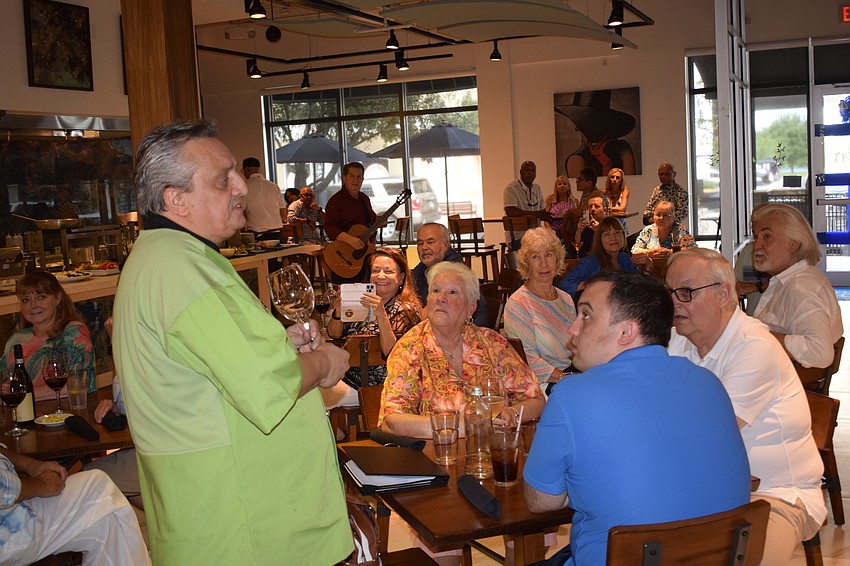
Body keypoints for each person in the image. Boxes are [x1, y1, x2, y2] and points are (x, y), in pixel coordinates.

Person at [113, 120, 352, 564]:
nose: (242, 186)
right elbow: (267, 387)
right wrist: (324, 362)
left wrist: (279, 347)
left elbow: (213, 368)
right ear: (176, 199)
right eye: (224, 178)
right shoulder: (181, 269)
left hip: (218, 511)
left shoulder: (166, 257)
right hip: (241, 523)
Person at [523, 271, 750, 566]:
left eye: (586, 315)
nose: (573, 328)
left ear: (627, 332)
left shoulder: (572, 395)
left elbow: (541, 501)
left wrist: (582, 486)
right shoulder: (709, 383)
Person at [666, 248, 826, 563]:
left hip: (773, 495)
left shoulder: (754, 347)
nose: (673, 303)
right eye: (669, 291)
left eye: (685, 292)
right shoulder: (677, 340)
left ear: (724, 294)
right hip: (702, 491)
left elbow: (707, 435)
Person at [379, 262, 543, 438]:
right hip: (437, 451)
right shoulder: (410, 347)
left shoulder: (492, 343)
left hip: (493, 448)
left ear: (471, 308)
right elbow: (391, 421)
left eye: (452, 292)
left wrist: (513, 413)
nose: (441, 298)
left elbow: (536, 399)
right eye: (435, 290)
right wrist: (459, 426)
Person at [0, 445, 150, 565]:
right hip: (7, 527)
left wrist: (29, 464)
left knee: (103, 518)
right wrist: (41, 484)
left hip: (12, 501)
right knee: (98, 488)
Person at [750, 203, 843, 368]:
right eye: (756, 237)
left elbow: (820, 352)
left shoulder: (799, 287)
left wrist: (757, 335)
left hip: (781, 382)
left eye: (767, 237)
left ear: (794, 244)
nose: (756, 245)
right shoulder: (793, 279)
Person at [327, 247, 422, 388]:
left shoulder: (406, 310)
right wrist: (338, 311)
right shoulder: (362, 300)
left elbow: (393, 354)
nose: (381, 276)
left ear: (401, 278)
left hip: (385, 385)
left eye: (388, 271)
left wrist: (381, 315)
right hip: (346, 378)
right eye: (376, 271)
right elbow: (334, 334)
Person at [2, 271, 95, 401]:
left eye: (41, 297)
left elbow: (80, 383)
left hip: (66, 410)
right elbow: (4, 382)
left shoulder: (74, 332)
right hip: (23, 411)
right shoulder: (16, 339)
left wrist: (22, 392)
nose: (33, 305)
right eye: (26, 300)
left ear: (58, 298)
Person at [504, 228, 576, 392]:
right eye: (536, 257)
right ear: (526, 263)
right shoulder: (518, 304)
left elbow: (578, 344)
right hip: (543, 384)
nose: (544, 264)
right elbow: (526, 358)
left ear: (557, 259)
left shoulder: (566, 299)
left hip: (572, 375)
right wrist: (563, 377)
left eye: (549, 255)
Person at [83, 316, 142, 509]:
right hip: (150, 444)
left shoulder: (150, 335)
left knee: (87, 479)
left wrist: (117, 341)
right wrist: (116, 405)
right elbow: (124, 395)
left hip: (169, 449)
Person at [411, 222, 488, 327]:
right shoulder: (421, 270)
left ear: (446, 244)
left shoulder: (455, 274)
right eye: (420, 243)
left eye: (430, 242)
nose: (424, 247)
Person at [558, 216, 651, 300]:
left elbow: (642, 288)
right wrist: (589, 285)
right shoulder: (590, 262)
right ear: (599, 239)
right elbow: (564, 285)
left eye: (617, 233)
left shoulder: (625, 259)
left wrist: (647, 268)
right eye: (607, 234)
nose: (613, 238)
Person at [556, 89, 637, 177]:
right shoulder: (576, 160)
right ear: (578, 127)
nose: (592, 128)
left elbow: (631, 181)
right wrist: (606, 164)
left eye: (597, 121)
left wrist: (607, 162)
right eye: (587, 123)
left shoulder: (623, 148)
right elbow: (584, 185)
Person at [324, 161, 378, 283]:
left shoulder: (364, 199)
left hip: (363, 256)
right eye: (352, 176)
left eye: (359, 176)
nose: (356, 180)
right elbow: (330, 227)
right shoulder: (336, 201)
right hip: (343, 257)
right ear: (344, 178)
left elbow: (372, 222)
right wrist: (350, 240)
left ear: (362, 179)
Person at [503, 160, 550, 251]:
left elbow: (542, 211)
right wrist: (535, 214)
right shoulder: (512, 188)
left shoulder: (537, 188)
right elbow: (510, 211)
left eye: (533, 170)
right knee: (542, 246)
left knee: (555, 243)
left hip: (536, 234)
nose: (530, 173)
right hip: (518, 237)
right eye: (527, 170)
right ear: (521, 172)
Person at [630, 201, 696, 258]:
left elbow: (693, 249)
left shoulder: (680, 230)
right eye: (658, 215)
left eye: (665, 215)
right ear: (653, 217)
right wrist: (650, 252)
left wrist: (670, 252)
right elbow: (635, 250)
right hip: (651, 266)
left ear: (673, 217)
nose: (661, 218)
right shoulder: (648, 230)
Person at [241, 156, 286, 237]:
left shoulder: (244, 187)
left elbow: (241, 212)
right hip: (276, 231)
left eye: (242, 171)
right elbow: (283, 211)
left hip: (256, 232)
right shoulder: (273, 186)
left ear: (246, 169)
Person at [570, 190, 608, 258]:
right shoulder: (583, 225)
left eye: (596, 206)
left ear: (605, 210)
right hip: (586, 258)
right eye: (590, 206)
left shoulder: (609, 225)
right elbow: (575, 249)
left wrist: (598, 231)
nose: (593, 209)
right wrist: (579, 232)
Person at [603, 167, 630, 233]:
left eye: (617, 177)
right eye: (612, 177)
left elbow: (622, 208)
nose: (614, 179)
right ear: (609, 179)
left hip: (620, 224)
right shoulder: (604, 191)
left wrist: (608, 209)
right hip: (606, 223)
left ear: (621, 180)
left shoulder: (624, 191)